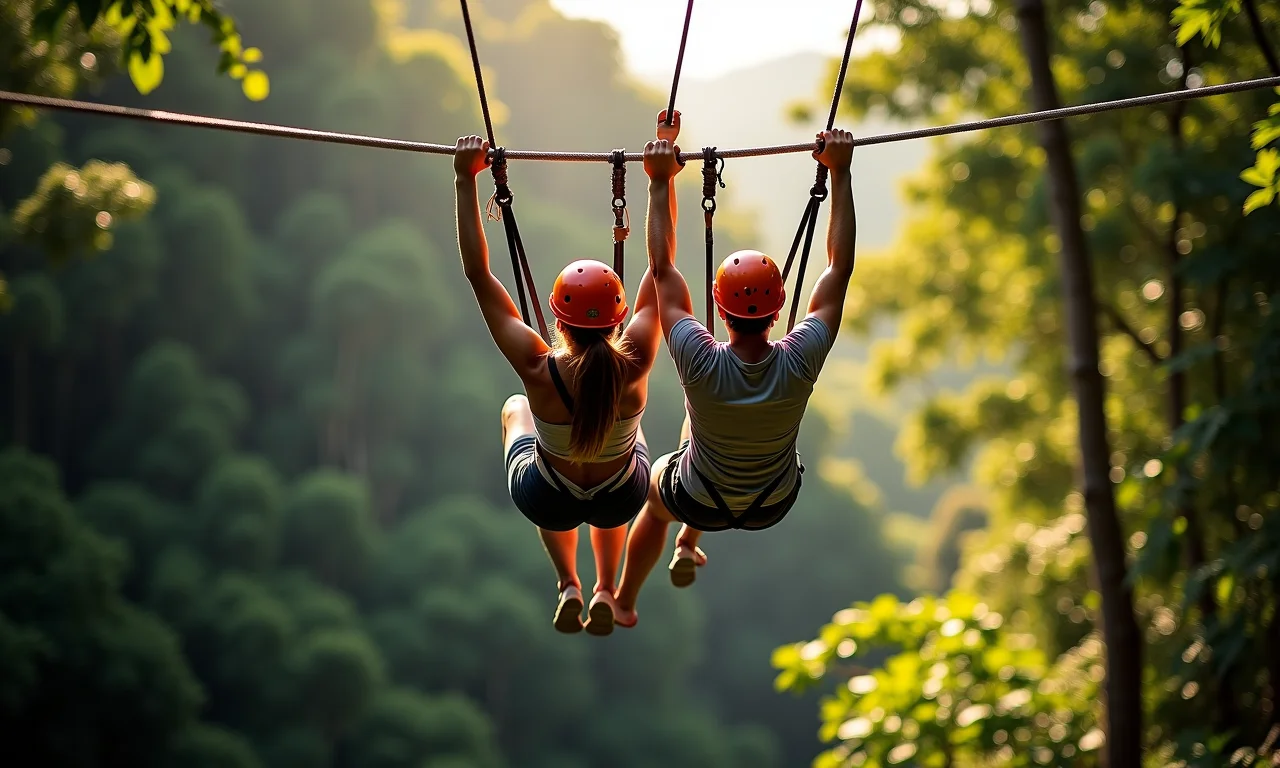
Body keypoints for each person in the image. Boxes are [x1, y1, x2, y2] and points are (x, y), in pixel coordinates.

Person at [612, 128, 858, 627]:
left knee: (661, 495)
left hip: (699, 495)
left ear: (718, 308)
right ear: (779, 308)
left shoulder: (699, 359)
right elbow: (840, 268)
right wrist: (841, 172)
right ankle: (688, 542)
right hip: (772, 501)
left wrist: (660, 182)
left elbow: (661, 270)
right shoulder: (801, 355)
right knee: (700, 434)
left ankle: (623, 600)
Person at [453, 121, 675, 636]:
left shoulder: (536, 366)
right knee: (628, 440)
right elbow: (661, 269)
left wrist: (467, 180)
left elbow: (478, 274)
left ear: (557, 317)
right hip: (622, 494)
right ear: (618, 316)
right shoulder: (636, 359)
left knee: (517, 407)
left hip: (546, 494)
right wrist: (660, 179)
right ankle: (604, 586)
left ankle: (568, 584)